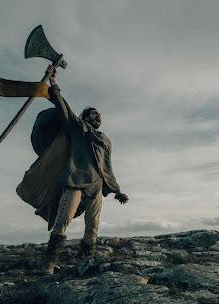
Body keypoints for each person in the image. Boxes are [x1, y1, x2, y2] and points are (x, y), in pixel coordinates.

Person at [43, 65, 129, 274]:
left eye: (99, 115)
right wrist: (54, 86)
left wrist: (117, 191)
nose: (97, 117)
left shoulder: (105, 141)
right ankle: (49, 264)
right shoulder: (77, 129)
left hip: (96, 186)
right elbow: (65, 110)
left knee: (93, 224)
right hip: (74, 182)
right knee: (63, 221)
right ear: (85, 117)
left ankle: (85, 259)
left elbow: (107, 167)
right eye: (93, 114)